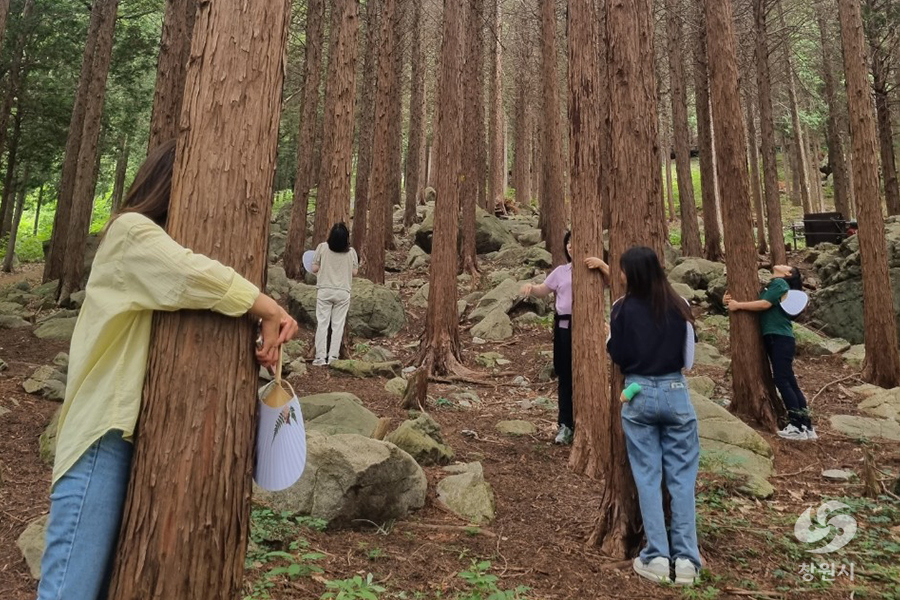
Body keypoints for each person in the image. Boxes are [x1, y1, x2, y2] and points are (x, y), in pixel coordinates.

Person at [37, 140, 298, 600]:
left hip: (116, 437)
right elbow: (189, 274)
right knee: (69, 591)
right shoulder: (130, 232)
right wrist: (267, 307)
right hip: (100, 437)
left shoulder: (136, 243)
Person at [606, 246, 701, 586]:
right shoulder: (680, 305)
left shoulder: (622, 308)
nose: (619, 275)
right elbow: (689, 359)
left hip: (638, 394)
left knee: (647, 476)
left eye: (622, 270)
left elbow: (618, 354)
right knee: (682, 479)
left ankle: (657, 555)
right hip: (676, 392)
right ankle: (688, 560)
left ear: (631, 274)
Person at [520, 232, 607, 445]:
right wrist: (531, 288)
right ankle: (565, 425)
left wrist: (603, 264)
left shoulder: (593, 268)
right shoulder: (561, 271)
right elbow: (544, 289)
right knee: (565, 376)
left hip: (588, 327)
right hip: (564, 327)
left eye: (574, 242)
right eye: (568, 243)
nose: (570, 247)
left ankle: (592, 423)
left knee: (589, 373)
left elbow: (617, 282)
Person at [724, 265, 816, 441]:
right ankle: (805, 425)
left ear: (788, 274)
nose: (780, 264)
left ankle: (797, 426)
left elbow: (764, 304)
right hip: (781, 338)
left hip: (779, 337)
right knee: (789, 380)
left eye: (786, 266)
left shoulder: (780, 283)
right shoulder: (773, 285)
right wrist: (728, 301)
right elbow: (760, 300)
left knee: (782, 379)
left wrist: (738, 306)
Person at [311, 222, 358, 366]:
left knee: (322, 323)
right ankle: (333, 357)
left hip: (325, 290)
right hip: (343, 291)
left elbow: (314, 268)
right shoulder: (351, 252)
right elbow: (354, 272)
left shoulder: (322, 247)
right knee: (338, 325)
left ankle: (319, 357)